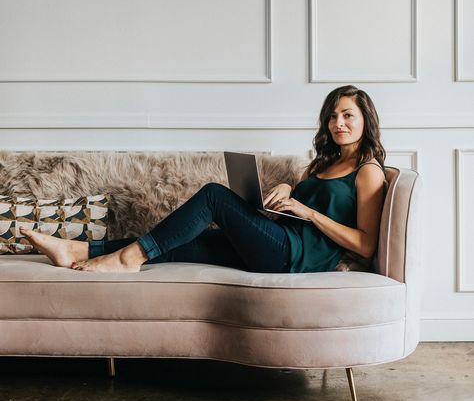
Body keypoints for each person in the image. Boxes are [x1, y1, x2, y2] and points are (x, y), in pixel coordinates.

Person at [19, 85, 387, 275]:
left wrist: (308, 213)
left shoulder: (368, 172)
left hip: (295, 257)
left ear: (365, 120)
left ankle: (128, 259)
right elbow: (301, 193)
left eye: (348, 116)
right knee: (185, 241)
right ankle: (78, 251)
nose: (338, 123)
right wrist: (288, 188)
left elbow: (366, 245)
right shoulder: (322, 163)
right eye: (333, 116)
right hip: (279, 240)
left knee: (214, 195)